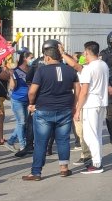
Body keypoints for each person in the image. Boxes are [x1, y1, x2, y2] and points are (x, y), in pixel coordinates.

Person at [24, 40, 77, 180]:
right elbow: (77, 90)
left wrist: (31, 103)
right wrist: (74, 106)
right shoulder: (70, 70)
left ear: (47, 57)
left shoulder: (41, 70)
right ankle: (64, 168)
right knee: (63, 140)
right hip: (65, 109)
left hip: (44, 109)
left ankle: (36, 172)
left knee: (41, 142)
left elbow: (32, 91)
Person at [75, 41, 109, 174]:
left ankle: (97, 164)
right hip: (101, 102)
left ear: (87, 52)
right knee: (97, 134)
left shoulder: (88, 68)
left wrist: (78, 109)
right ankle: (98, 160)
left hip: (90, 103)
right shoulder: (103, 65)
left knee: (89, 136)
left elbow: (84, 92)